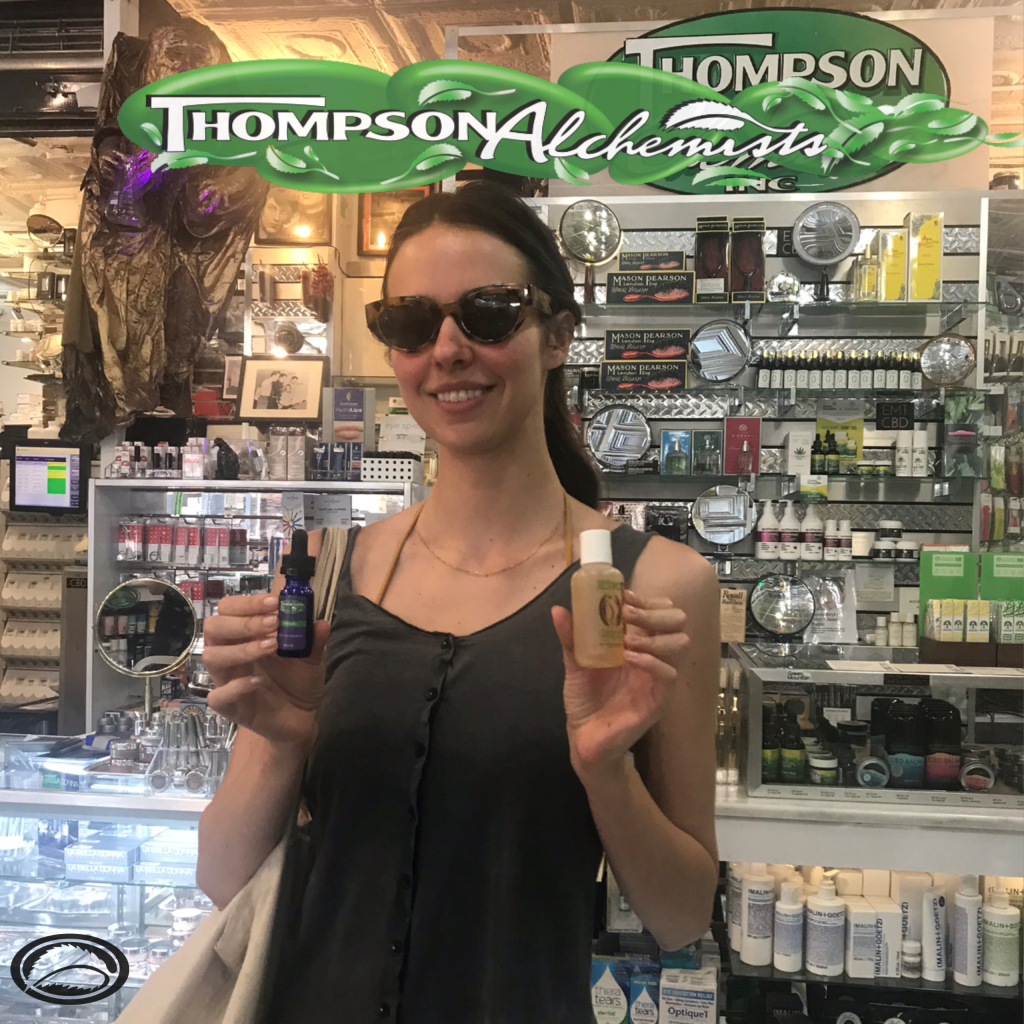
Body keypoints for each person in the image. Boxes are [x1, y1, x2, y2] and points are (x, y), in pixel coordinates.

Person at [199, 181, 720, 1024]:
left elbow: (680, 914)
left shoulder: (656, 587)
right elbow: (221, 875)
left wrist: (604, 768)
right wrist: (283, 736)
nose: (445, 349)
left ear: (557, 337)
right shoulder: (333, 568)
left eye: (487, 313)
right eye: (409, 322)